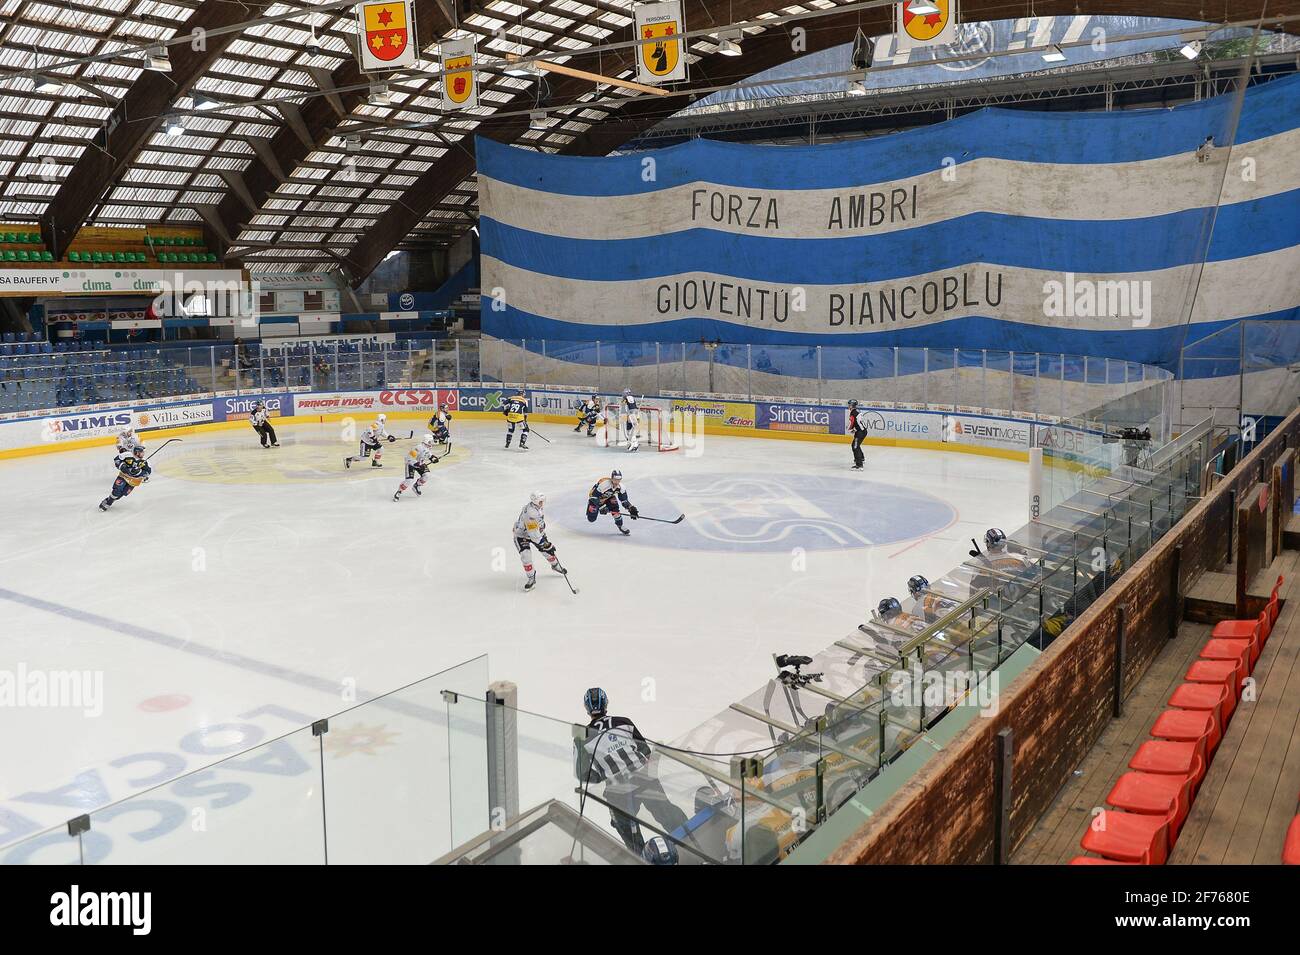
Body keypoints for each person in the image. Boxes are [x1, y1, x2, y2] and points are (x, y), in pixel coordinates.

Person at [575, 688, 689, 855]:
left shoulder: (582, 737)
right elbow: (645, 750)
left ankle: (640, 859)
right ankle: (692, 845)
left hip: (617, 791)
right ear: (606, 703)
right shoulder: (624, 721)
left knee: (629, 836)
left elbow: (582, 773)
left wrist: (602, 776)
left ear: (587, 708)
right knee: (669, 815)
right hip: (644, 779)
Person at [513, 491, 566, 591]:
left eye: (543, 501)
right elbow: (534, 536)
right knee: (526, 556)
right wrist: (547, 545)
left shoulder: (536, 506)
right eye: (541, 501)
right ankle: (531, 577)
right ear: (536, 501)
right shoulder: (531, 513)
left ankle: (555, 566)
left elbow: (537, 527)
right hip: (522, 535)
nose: (543, 503)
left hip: (535, 533)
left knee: (547, 551)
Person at [99, 444, 151, 512]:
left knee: (121, 495)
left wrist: (138, 472)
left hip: (133, 481)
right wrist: (124, 467)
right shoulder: (127, 455)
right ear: (137, 452)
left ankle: (109, 499)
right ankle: (108, 503)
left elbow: (148, 472)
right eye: (141, 452)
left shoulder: (145, 462)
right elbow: (117, 460)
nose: (143, 453)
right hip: (124, 476)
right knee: (116, 491)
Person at [587, 469, 638, 536]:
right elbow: (593, 496)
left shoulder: (621, 487)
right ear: (611, 479)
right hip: (596, 499)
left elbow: (624, 501)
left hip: (608, 497)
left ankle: (620, 526)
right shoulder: (604, 484)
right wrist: (601, 507)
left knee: (615, 509)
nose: (617, 482)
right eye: (615, 479)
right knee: (591, 519)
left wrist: (630, 508)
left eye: (619, 480)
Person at [393, 433, 438, 501]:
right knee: (409, 480)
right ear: (426, 441)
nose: (431, 443)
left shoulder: (428, 447)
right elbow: (408, 458)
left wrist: (433, 458)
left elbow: (428, 454)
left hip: (420, 464)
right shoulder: (418, 448)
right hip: (410, 464)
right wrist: (417, 464)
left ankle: (416, 486)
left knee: (427, 475)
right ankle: (399, 492)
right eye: (430, 441)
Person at [847, 399, 868, 470]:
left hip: (860, 432)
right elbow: (857, 422)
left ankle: (859, 465)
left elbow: (852, 422)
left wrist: (850, 429)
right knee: (856, 445)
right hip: (863, 431)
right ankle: (861, 458)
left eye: (849, 405)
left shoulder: (853, 413)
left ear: (851, 405)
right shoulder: (857, 411)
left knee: (855, 446)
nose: (848, 406)